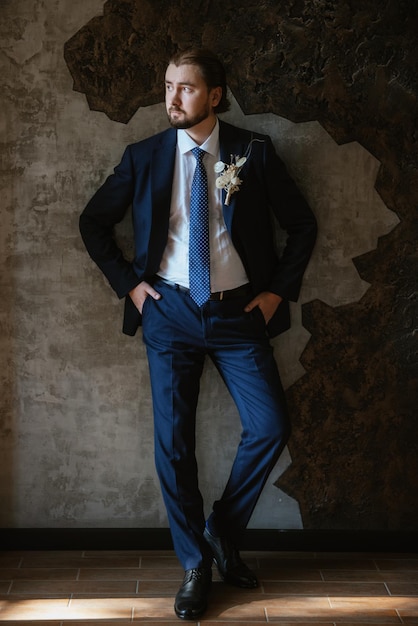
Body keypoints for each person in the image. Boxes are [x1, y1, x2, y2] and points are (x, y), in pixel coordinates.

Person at [79, 48, 317, 620]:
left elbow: (302, 224)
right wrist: (131, 288)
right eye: (167, 86)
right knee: (174, 445)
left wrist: (276, 291)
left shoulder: (253, 152)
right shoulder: (144, 156)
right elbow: (92, 222)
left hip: (239, 315)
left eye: (185, 88)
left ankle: (220, 530)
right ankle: (194, 565)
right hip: (170, 314)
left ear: (214, 95)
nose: (172, 98)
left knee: (270, 425)